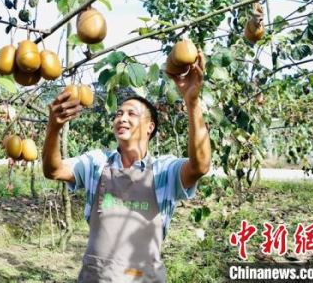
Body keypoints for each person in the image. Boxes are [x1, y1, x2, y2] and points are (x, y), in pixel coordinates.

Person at [42, 51, 211, 282]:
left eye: (132, 114)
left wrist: (192, 102)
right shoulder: (97, 163)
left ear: (150, 127)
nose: (121, 118)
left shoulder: (164, 170)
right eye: (119, 113)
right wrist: (54, 128)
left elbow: (199, 166)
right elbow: (53, 170)